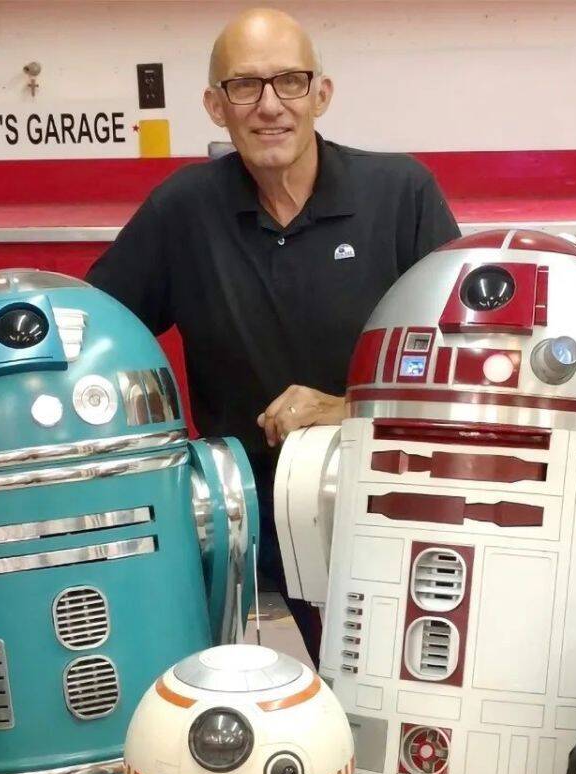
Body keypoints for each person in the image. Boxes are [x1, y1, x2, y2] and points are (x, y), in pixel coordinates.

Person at [88, 7, 460, 662]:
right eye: (244, 86)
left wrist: (346, 409)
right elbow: (96, 330)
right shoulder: (182, 211)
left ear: (322, 94)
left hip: (386, 497)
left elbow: (463, 365)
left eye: (290, 81)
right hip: (244, 521)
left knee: (384, 680)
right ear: (215, 106)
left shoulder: (401, 195)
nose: (269, 106)